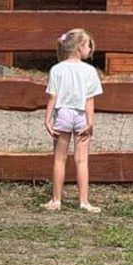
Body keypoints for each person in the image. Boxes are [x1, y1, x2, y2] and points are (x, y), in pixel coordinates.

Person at [41, 28, 103, 213]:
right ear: (80, 47)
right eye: (88, 46)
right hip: (81, 115)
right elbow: (89, 99)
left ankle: (56, 200)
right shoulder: (89, 71)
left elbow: (52, 97)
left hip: (63, 115)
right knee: (82, 160)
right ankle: (84, 201)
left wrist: (47, 120)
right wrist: (90, 122)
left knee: (59, 159)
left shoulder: (56, 69)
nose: (90, 50)